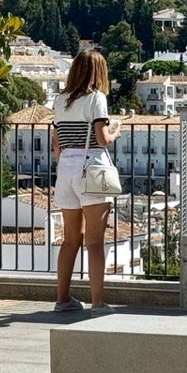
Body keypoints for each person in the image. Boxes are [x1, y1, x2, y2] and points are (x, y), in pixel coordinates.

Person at [51, 50, 122, 315]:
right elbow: (101, 138)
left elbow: (56, 145)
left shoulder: (60, 100)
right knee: (94, 242)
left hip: (66, 169)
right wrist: (116, 131)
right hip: (91, 168)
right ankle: (98, 303)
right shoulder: (96, 98)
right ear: (99, 72)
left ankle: (63, 299)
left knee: (70, 240)